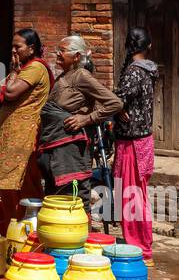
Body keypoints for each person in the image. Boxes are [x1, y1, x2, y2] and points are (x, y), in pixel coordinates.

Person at [38, 35, 121, 201]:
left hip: (71, 151)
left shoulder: (81, 75)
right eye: (58, 50)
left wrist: (85, 119)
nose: (58, 54)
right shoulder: (64, 76)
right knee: (56, 199)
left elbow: (115, 103)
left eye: (63, 51)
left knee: (72, 198)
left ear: (76, 57)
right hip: (56, 149)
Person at [0, 28, 54, 232]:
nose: (14, 51)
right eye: (12, 47)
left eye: (18, 47)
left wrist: (14, 72)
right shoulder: (24, 68)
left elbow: (10, 91)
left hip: (24, 138)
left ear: (31, 48)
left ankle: (27, 231)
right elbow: (2, 89)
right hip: (12, 137)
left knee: (24, 185)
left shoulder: (35, 68)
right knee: (8, 186)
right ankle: (13, 229)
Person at [114, 27, 159, 261]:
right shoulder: (149, 69)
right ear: (148, 46)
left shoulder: (133, 71)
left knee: (131, 196)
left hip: (132, 142)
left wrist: (118, 106)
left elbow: (118, 99)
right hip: (143, 140)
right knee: (138, 193)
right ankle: (142, 243)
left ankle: (140, 245)